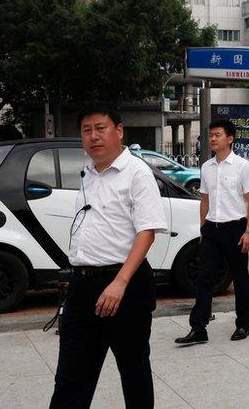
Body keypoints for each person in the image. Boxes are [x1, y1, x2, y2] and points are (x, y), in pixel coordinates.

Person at [50, 108, 167, 408]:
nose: (93, 136)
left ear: (119, 131)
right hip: (82, 286)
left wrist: (120, 282)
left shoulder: (137, 172)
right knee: (70, 378)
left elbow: (147, 232)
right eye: (87, 130)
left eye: (100, 128)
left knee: (133, 372)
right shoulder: (88, 173)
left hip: (124, 286)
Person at [176, 119, 249, 345]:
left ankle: (243, 324)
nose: (212, 138)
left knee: (240, 278)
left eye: (217, 135)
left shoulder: (243, 166)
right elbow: (205, 199)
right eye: (210, 135)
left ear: (230, 139)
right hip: (212, 228)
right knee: (204, 278)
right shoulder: (206, 167)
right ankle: (198, 328)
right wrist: (203, 228)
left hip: (236, 228)